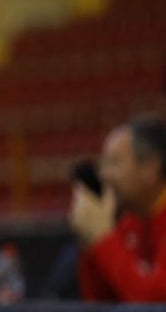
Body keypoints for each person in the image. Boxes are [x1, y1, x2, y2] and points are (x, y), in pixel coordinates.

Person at [70, 113, 166, 301]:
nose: (104, 175)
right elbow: (102, 304)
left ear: (150, 168)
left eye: (114, 162)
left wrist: (103, 239)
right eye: (103, 164)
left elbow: (155, 307)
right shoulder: (131, 220)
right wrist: (90, 242)